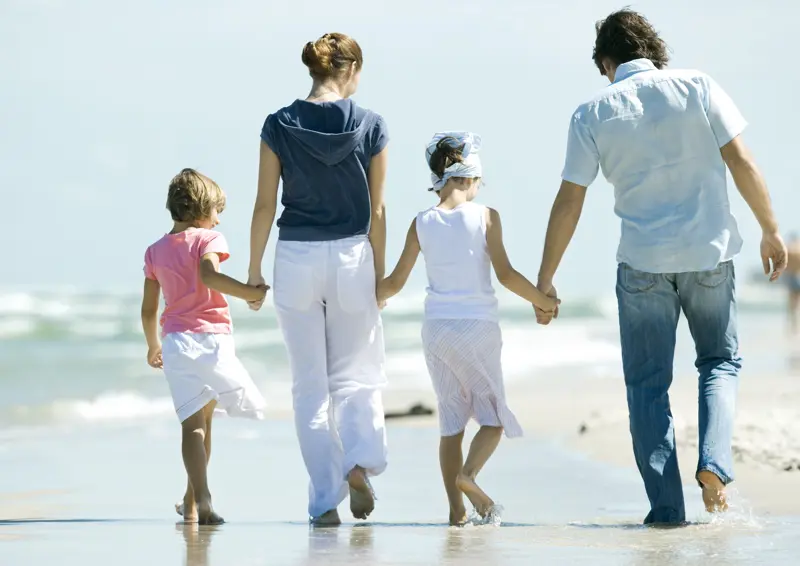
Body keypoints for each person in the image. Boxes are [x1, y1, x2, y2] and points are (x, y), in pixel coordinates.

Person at [535, 9, 787, 525]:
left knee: (647, 384)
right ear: (651, 48)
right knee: (719, 362)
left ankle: (667, 508)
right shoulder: (698, 86)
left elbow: (569, 200)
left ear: (606, 62)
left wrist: (546, 277)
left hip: (643, 264)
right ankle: (714, 464)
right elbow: (742, 160)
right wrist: (770, 228)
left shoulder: (591, 113)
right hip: (709, 253)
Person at [377, 133, 558, 526]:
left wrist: (368, 298)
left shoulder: (421, 222)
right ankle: (468, 476)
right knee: (492, 418)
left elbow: (393, 283)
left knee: (451, 422)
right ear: (470, 178)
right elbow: (506, 274)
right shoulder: (486, 216)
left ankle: (456, 512)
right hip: (477, 328)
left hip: (436, 331)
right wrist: (543, 301)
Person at [247, 33, 390, 526]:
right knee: (356, 378)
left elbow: (265, 204)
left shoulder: (279, 124)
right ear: (350, 71)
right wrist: (382, 273)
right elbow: (378, 209)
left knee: (310, 388)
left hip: (295, 258)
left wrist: (252, 272)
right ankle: (357, 462)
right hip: (352, 254)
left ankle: (324, 502)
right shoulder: (371, 125)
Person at [141, 168, 267, 525]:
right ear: (200, 209)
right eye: (216, 210)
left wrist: (153, 346)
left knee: (191, 426)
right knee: (206, 423)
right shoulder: (209, 240)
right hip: (213, 341)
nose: (219, 218)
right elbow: (209, 276)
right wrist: (250, 293)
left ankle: (196, 500)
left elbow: (149, 309)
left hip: (177, 343)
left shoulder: (154, 252)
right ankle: (197, 500)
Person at [786, 234, 800, 333]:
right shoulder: (798, 249)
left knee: (792, 304)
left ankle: (793, 326)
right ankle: (795, 326)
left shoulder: (789, 249)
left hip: (792, 276)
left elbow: (785, 266)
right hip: (798, 274)